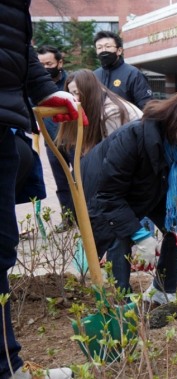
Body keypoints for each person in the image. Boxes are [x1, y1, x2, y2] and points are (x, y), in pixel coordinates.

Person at [81, 89, 177, 302]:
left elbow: (174, 182)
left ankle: (163, 292)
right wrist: (140, 235)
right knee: (120, 234)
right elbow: (108, 196)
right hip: (100, 193)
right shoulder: (133, 136)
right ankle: (121, 304)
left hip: (145, 188)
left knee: (176, 229)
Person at [1, 1, 79, 377]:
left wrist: (43, 88)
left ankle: (7, 366)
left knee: (1, 249)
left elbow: (13, 40)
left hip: (5, 123)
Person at [36, 45, 76, 232]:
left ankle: (88, 216)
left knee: (82, 178)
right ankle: (68, 219)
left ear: (59, 63)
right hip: (51, 141)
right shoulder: (35, 87)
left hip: (74, 140)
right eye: (41, 64)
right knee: (62, 183)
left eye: (49, 63)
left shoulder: (71, 83)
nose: (45, 68)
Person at [58, 69, 143, 155]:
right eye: (71, 94)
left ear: (89, 90)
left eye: (76, 93)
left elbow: (114, 154)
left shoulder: (112, 112)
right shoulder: (98, 103)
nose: (74, 99)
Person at [93, 30, 153, 110]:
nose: (103, 50)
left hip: (129, 121)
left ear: (119, 51)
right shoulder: (94, 76)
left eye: (108, 46)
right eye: (99, 48)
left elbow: (146, 106)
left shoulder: (133, 74)